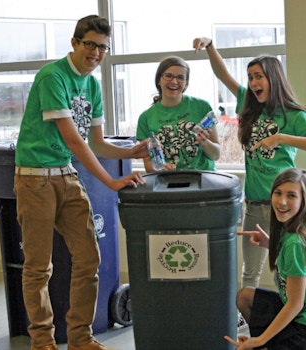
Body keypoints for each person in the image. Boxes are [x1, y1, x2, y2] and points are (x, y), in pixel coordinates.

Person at [14, 15, 148, 350]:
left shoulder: (92, 85)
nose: (97, 53)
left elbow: (98, 142)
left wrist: (132, 149)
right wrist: (112, 183)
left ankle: (80, 338)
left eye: (103, 47)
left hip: (64, 174)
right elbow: (75, 141)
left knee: (89, 259)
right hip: (35, 179)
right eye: (90, 45)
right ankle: (42, 341)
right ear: (75, 43)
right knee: (38, 267)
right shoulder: (53, 77)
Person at [193, 37, 306, 290]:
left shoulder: (292, 114)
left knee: (286, 269)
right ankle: (250, 318)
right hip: (254, 204)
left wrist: (280, 137)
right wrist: (211, 46)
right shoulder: (249, 102)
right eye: (250, 77)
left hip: (284, 204)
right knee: (250, 270)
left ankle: (289, 317)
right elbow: (223, 75)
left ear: (273, 79)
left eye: (259, 76)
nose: (253, 82)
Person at [225, 168, 306, 350]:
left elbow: (295, 303)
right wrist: (271, 244)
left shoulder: (295, 243)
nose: (282, 202)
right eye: (278, 193)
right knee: (246, 297)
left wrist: (259, 340)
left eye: (291, 195)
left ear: (304, 201)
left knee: (260, 329)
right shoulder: (291, 231)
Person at [136, 55, 221, 172]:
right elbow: (148, 166)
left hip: (203, 180)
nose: (174, 81)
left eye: (180, 77)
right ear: (159, 80)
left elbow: (216, 155)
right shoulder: (146, 118)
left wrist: (204, 142)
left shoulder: (202, 107)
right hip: (168, 182)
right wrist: (161, 168)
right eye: (168, 76)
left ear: (186, 83)